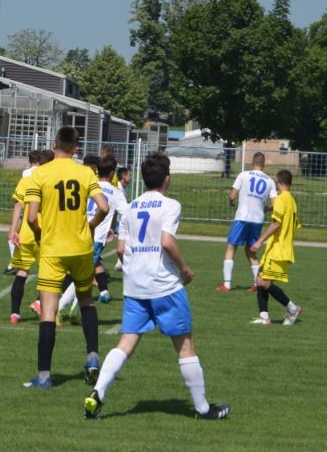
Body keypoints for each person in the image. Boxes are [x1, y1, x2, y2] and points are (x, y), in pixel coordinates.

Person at [83, 152, 229, 420]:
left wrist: (135, 268)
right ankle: (202, 408)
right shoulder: (170, 205)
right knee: (185, 345)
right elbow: (166, 241)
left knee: (125, 343)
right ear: (167, 179)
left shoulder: (131, 207)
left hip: (134, 287)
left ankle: (98, 393)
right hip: (164, 285)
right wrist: (184, 269)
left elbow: (121, 249)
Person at [22, 126, 110, 389]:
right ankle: (92, 356)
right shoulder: (85, 172)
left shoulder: (40, 173)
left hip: (53, 249)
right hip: (81, 247)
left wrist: (40, 234)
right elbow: (104, 206)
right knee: (86, 302)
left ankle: (44, 376)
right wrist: (91, 225)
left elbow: (31, 217)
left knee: (49, 311)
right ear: (76, 148)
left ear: (54, 144)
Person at [59, 155, 128, 322]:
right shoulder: (116, 193)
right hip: (95, 238)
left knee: (84, 275)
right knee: (84, 276)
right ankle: (57, 307)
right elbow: (127, 215)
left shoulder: (89, 185)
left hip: (79, 232)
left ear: (97, 170)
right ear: (112, 173)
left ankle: (75, 310)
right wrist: (117, 230)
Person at [249, 169, 303, 325]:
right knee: (260, 279)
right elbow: (291, 220)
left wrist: (259, 241)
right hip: (282, 248)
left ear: (278, 182)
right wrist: (269, 208)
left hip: (277, 249)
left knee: (263, 282)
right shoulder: (291, 200)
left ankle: (292, 308)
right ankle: (264, 317)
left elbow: (276, 223)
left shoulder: (280, 199)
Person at [6, 149, 54, 323]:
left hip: (26, 234)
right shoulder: (53, 182)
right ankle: (40, 303)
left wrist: (13, 230)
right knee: (49, 274)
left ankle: (15, 313)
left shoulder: (27, 180)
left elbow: (18, 206)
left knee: (21, 272)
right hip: (45, 234)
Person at [217, 151, 274, 292]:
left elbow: (232, 195)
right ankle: (257, 283)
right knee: (251, 251)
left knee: (231, 247)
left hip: (242, 217)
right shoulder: (270, 181)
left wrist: (231, 201)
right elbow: (274, 204)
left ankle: (227, 284)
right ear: (264, 165)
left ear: (252, 163)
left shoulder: (243, 175)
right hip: (257, 220)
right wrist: (265, 208)